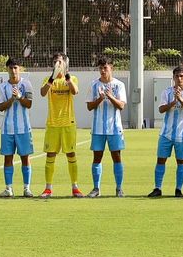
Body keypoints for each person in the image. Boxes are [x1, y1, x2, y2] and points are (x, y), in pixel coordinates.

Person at [39, 52, 83, 198]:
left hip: (68, 123)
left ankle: (75, 187)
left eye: (60, 61)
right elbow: (42, 92)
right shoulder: (48, 79)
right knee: (50, 154)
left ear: (65, 63)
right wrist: (52, 77)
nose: (57, 64)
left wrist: (66, 74)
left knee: (71, 154)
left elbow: (75, 91)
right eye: (55, 61)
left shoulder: (71, 78)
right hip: (52, 124)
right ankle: (48, 188)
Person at [150, 65, 183, 197]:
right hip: (166, 133)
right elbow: (161, 109)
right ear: (173, 78)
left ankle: (178, 189)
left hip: (182, 134)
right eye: (177, 76)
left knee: (181, 161)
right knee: (161, 160)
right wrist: (173, 101)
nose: (179, 78)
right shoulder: (167, 92)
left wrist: (181, 99)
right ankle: (157, 188)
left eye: (182, 76)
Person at [85, 57, 127, 197]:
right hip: (98, 128)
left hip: (115, 128)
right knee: (97, 157)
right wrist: (100, 99)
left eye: (105, 68)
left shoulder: (119, 85)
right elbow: (89, 107)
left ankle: (119, 188)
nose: (103, 71)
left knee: (117, 157)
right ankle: (96, 188)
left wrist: (110, 97)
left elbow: (121, 105)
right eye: (101, 68)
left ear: (111, 68)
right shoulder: (94, 85)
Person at [0, 57, 35, 198]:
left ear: (20, 68)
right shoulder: (2, 87)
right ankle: (8, 189)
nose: (13, 71)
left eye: (15, 67)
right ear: (7, 69)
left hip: (24, 128)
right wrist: (12, 99)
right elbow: (0, 107)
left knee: (25, 157)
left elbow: (29, 104)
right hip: (7, 129)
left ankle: (27, 188)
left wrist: (19, 97)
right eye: (10, 68)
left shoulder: (27, 84)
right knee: (7, 158)